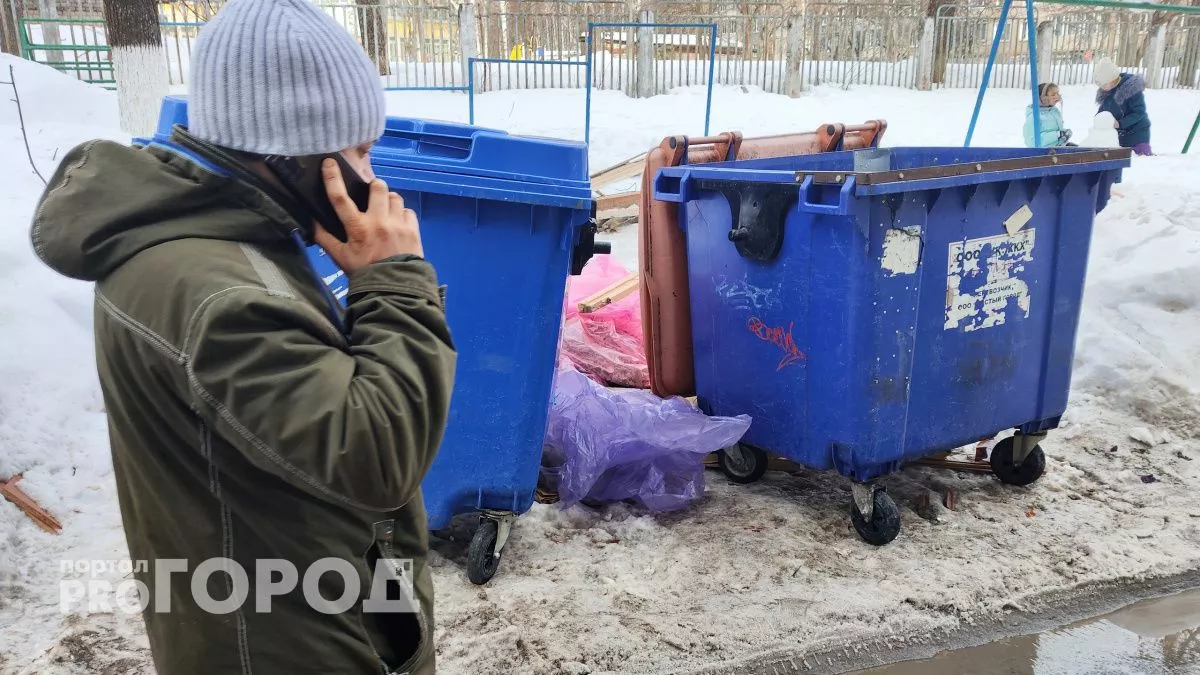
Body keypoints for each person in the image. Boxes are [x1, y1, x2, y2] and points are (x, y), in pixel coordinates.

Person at [28, 0, 456, 673]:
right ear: (292, 149)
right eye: (359, 150)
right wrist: (396, 281)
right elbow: (375, 454)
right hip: (285, 646)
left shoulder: (210, 244)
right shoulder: (221, 293)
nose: (373, 178)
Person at [1093, 57, 1152, 155]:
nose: (1101, 88)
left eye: (1103, 84)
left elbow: (1139, 113)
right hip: (1119, 136)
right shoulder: (1106, 92)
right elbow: (1103, 111)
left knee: (1139, 158)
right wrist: (1099, 120)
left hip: (1137, 133)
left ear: (1112, 80)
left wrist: (1120, 123)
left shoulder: (1131, 89)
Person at [1023, 82, 1075, 148]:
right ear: (1043, 98)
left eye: (1057, 93)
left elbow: (1055, 131)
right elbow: (1032, 142)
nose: (1057, 96)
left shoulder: (1055, 112)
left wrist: (1064, 135)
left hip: (1056, 150)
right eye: (1053, 94)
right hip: (1043, 155)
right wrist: (1057, 135)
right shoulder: (1034, 117)